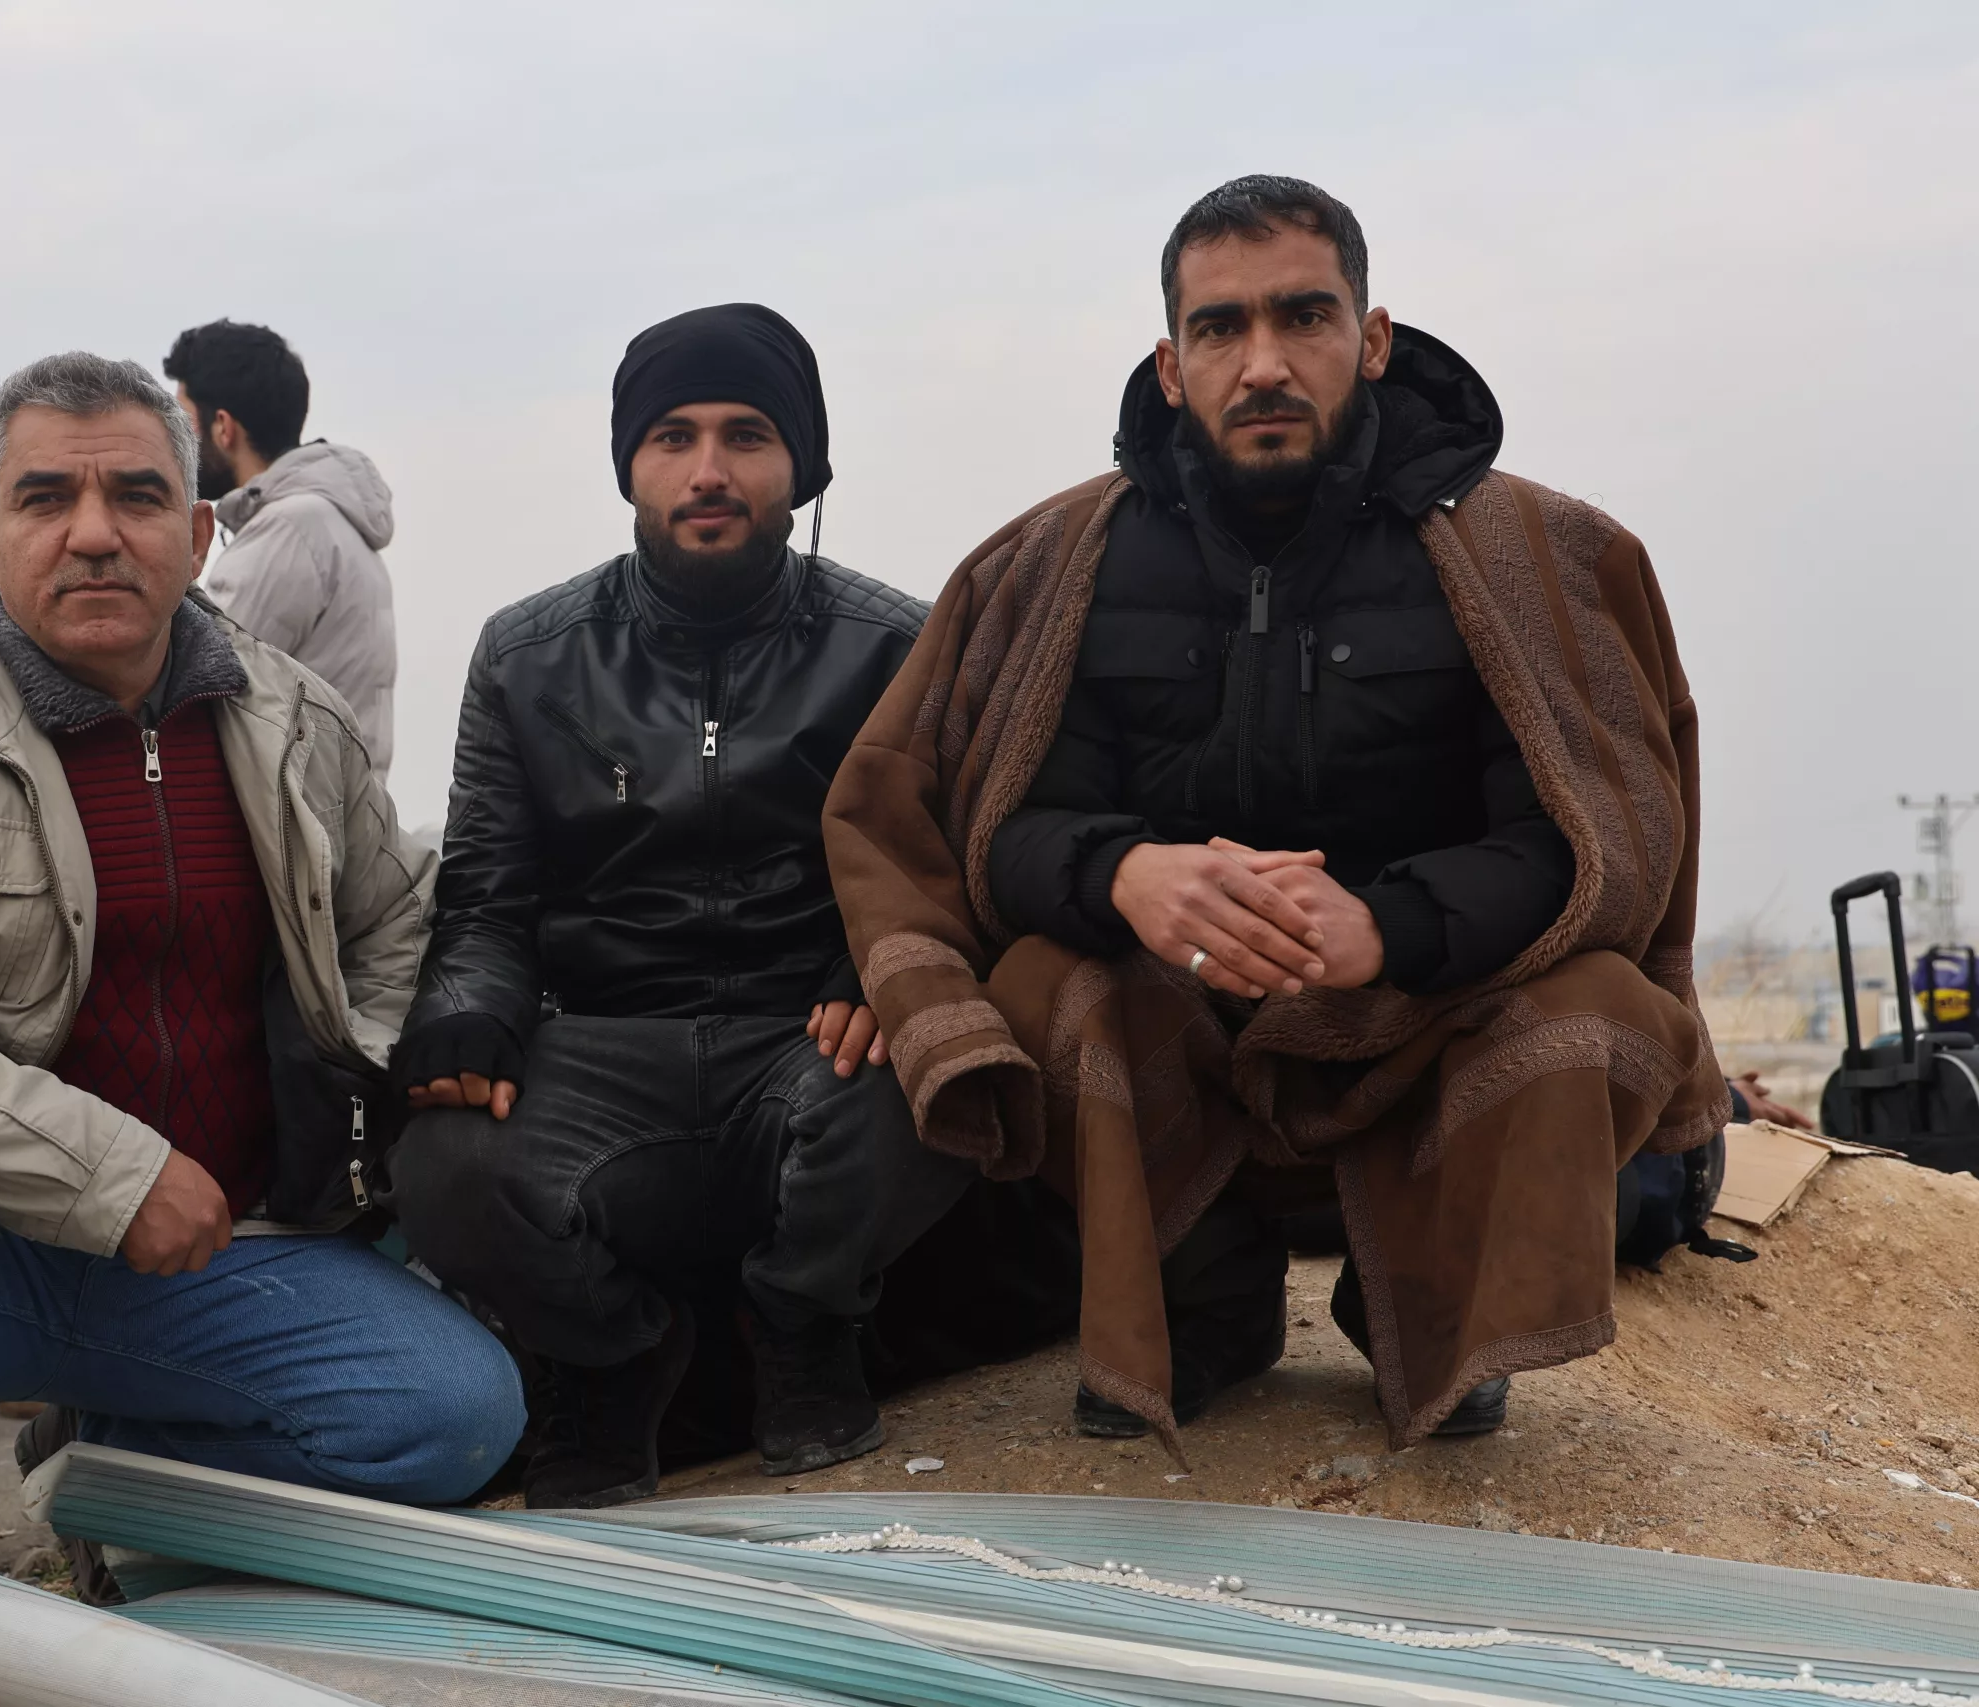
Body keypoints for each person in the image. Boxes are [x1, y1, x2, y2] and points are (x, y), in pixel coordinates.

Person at [825, 176, 1728, 1455]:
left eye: (1303, 316)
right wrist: (1127, 874)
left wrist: (1385, 926)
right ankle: (1199, 1300)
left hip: (1423, 1017)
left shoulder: (1527, 553)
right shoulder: (1060, 565)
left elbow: (1580, 846)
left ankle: (1437, 1309)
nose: (1261, 364)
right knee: (1036, 985)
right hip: (1182, 1022)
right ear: (1170, 362)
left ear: (1372, 338)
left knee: (1597, 1010)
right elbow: (999, 833)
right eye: (1219, 328)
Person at [0, 352, 522, 1706]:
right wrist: (112, 1173)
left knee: (456, 1413)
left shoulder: (294, 718)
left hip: (223, 1250)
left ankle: (113, 1485)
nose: (94, 532)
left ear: (197, 535)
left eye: (138, 496)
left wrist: (384, 1068)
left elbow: (393, 926)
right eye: (47, 498)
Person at [386, 304, 973, 1511]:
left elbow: (941, 866)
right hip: (602, 1045)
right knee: (442, 1159)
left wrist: (879, 966)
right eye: (673, 437)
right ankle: (613, 1359)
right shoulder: (525, 656)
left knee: (939, 1059)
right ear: (628, 465)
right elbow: (486, 894)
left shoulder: (897, 646)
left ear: (801, 465)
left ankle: (800, 1323)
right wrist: (464, 1012)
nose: (708, 471)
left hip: (806, 1041)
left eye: (746, 436)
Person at [164, 319, 398, 778]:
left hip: (297, 811)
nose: (173, 447)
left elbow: (192, 683)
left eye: (181, 422)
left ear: (223, 427)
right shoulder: (326, 518)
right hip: (325, 803)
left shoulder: (291, 529)